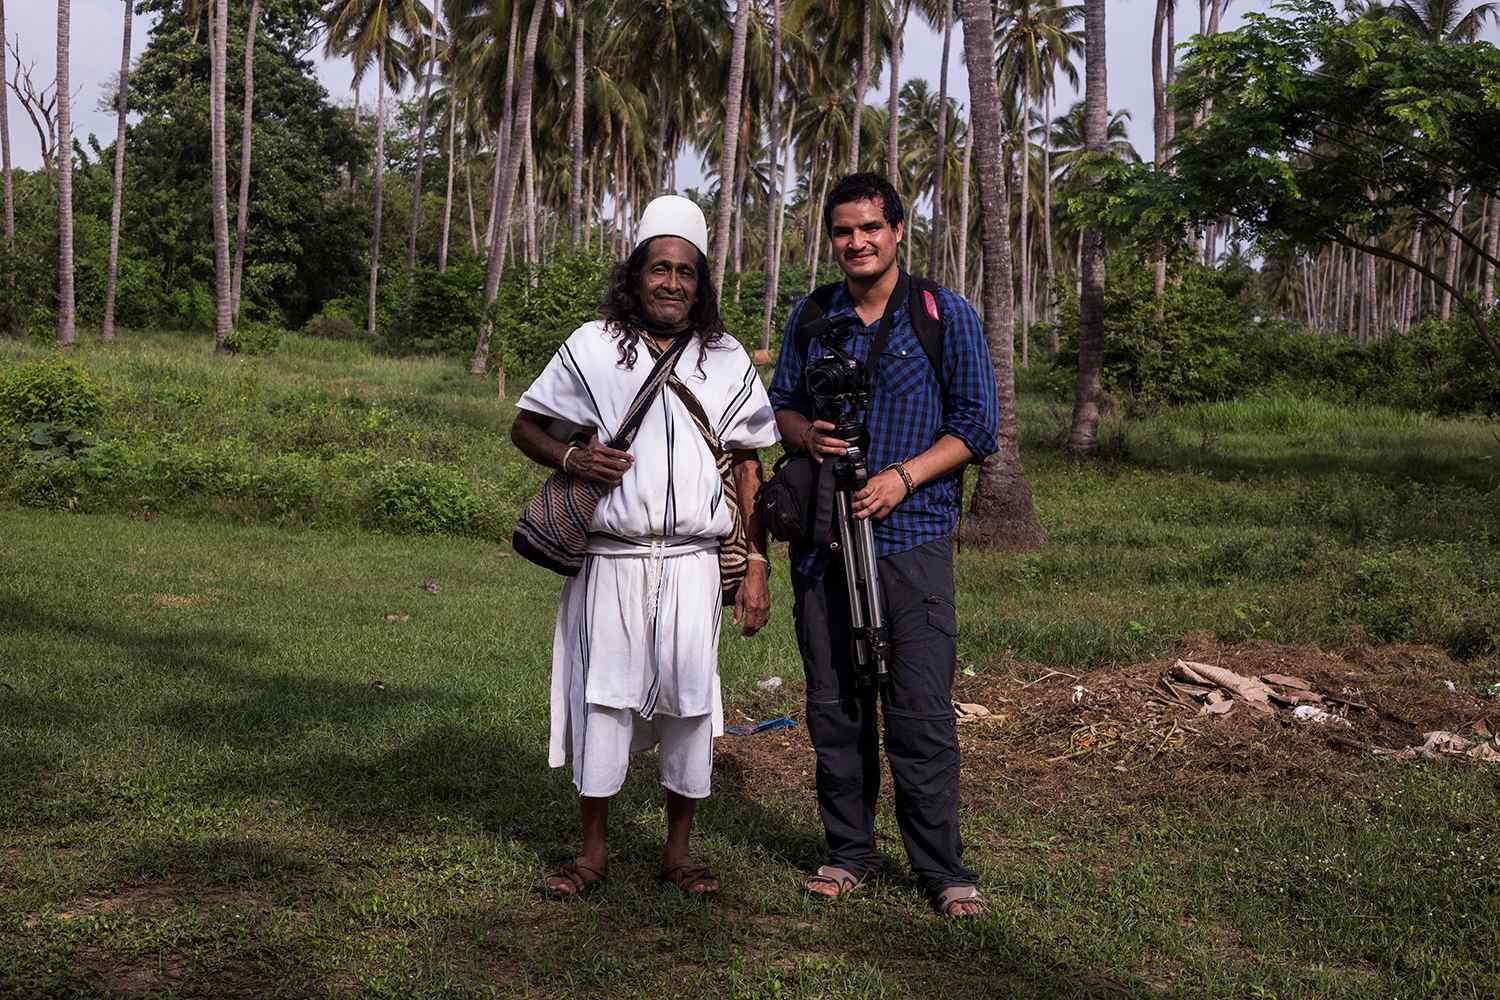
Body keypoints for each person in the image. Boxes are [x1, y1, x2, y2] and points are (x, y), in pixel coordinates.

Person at [511, 195, 777, 898]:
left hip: (693, 565)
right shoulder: (593, 345)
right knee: (603, 702)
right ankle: (592, 855)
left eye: (686, 272)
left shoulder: (725, 358)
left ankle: (678, 854)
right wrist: (572, 461)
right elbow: (526, 425)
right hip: (613, 561)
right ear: (635, 274)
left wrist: (756, 563)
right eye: (659, 268)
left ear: (702, 282)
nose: (672, 283)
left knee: (691, 708)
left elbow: (750, 465)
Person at [768, 173, 999, 918]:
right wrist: (810, 436)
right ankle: (848, 852)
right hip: (823, 542)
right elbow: (780, 408)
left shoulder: (942, 313)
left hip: (913, 537)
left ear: (898, 229)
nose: (857, 242)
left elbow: (977, 425)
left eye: (871, 227)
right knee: (834, 705)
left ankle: (942, 868)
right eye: (843, 231)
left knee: (919, 709)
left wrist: (903, 477)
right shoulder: (812, 316)